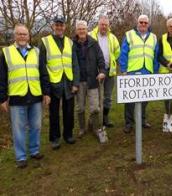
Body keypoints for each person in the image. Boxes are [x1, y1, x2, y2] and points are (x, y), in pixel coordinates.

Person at [0, 24, 50, 168]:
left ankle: (34, 151)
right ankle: (21, 157)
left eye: (25, 34)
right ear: (15, 35)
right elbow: (2, 77)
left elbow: (43, 73)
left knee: (36, 126)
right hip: (17, 97)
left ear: (29, 36)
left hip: (35, 95)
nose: (22, 37)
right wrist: (2, 98)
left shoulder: (36, 51)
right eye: (19, 34)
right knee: (18, 129)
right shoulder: (6, 52)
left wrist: (46, 92)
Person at [39, 15, 80, 149]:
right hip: (53, 82)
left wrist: (75, 83)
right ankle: (55, 138)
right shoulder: (45, 42)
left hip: (68, 81)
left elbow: (75, 64)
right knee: (54, 112)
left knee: (69, 111)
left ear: (65, 26)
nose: (59, 27)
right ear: (53, 26)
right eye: (57, 25)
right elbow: (42, 66)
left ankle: (68, 135)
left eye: (61, 25)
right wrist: (46, 88)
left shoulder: (70, 42)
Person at [119, 14, 159, 133]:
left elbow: (156, 56)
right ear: (137, 23)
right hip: (132, 71)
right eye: (141, 22)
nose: (143, 24)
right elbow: (123, 53)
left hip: (147, 71)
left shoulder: (154, 37)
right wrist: (124, 70)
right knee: (130, 99)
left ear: (148, 24)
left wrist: (155, 72)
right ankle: (129, 123)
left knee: (145, 98)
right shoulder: (129, 35)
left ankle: (141, 120)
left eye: (145, 23)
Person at [73, 20, 106, 137]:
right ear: (76, 31)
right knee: (80, 108)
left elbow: (101, 60)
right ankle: (82, 128)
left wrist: (102, 71)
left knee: (95, 108)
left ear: (87, 30)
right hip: (79, 82)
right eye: (79, 29)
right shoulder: (72, 45)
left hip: (93, 80)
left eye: (84, 29)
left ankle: (96, 128)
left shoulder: (94, 43)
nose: (82, 31)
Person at [89, 15, 120, 128]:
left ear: (108, 26)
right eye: (102, 24)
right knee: (95, 98)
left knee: (108, 97)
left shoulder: (112, 37)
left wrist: (111, 61)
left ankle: (105, 118)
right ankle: (94, 120)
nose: (104, 27)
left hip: (109, 71)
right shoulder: (91, 35)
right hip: (94, 72)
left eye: (106, 25)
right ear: (98, 24)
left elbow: (117, 52)